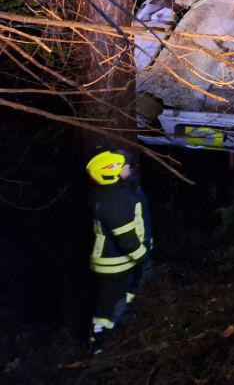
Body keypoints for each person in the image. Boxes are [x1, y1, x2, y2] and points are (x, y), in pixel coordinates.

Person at [86, 150, 151, 352]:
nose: (129, 169)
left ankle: (108, 333)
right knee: (107, 305)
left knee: (116, 299)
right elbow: (127, 240)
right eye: (124, 167)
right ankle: (99, 343)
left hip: (115, 263)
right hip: (115, 264)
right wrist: (143, 256)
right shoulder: (116, 201)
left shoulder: (111, 194)